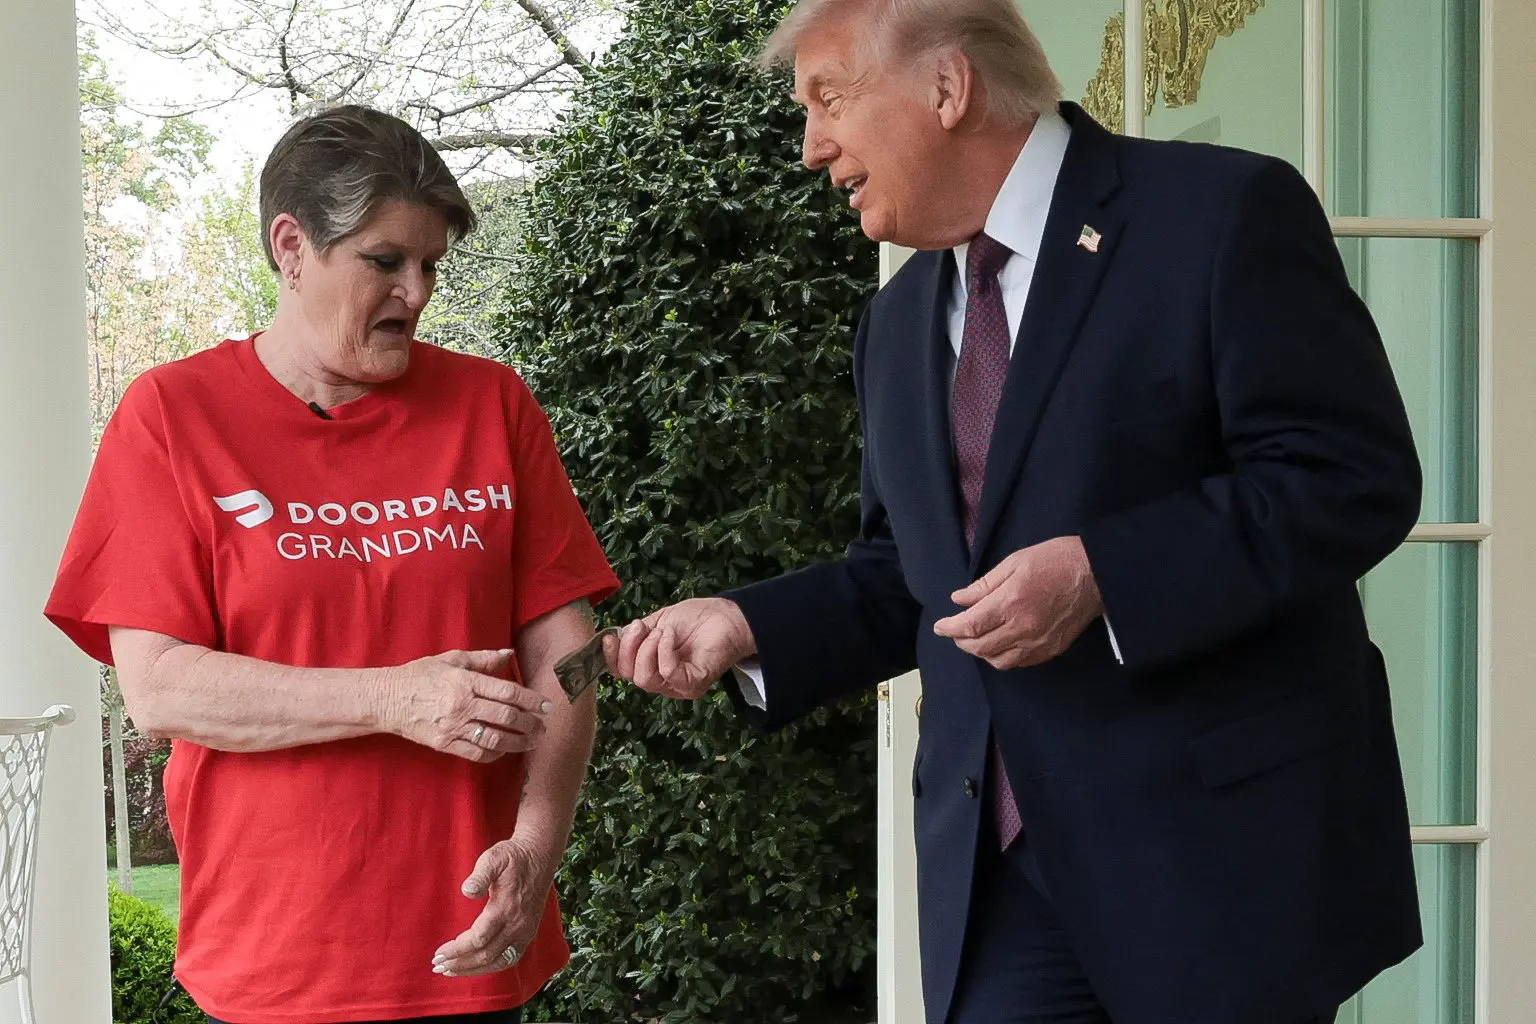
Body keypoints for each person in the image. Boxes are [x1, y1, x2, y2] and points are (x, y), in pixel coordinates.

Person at [603, 2, 1425, 1022]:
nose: (812, 147)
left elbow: (1349, 475)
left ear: (948, 88)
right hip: (1000, 885)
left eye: (830, 100)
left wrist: (1102, 575)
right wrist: (746, 624)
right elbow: (911, 574)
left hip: (1216, 868)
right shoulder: (897, 320)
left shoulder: (1219, 213)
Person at [46, 105, 618, 1024]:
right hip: (279, 958)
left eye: (431, 265)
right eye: (385, 261)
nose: (416, 292)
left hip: (472, 942)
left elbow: (568, 653)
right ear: (292, 247)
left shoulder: (492, 405)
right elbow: (159, 689)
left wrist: (538, 844)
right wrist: (393, 698)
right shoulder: (174, 417)